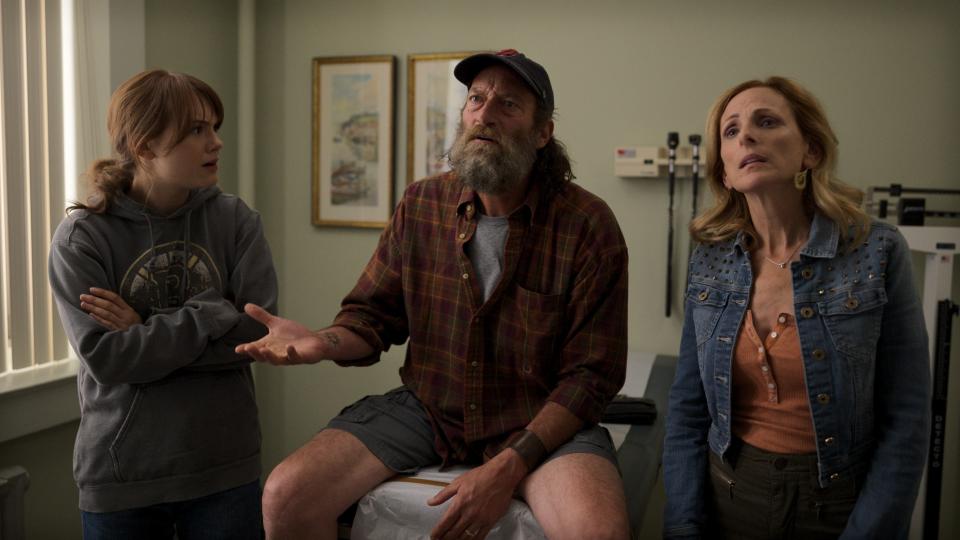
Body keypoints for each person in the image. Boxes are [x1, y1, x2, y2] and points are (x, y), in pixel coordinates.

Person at [237, 49, 630, 540]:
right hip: (431, 408)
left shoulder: (588, 225)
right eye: (476, 99)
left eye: (508, 105)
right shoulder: (423, 203)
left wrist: (511, 465)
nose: (484, 114)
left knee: (599, 533)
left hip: (538, 420)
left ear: (543, 132)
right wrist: (324, 342)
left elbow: (592, 377)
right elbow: (373, 316)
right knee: (284, 495)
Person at [662, 76, 930, 539]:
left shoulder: (876, 251)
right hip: (728, 498)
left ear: (811, 151)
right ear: (724, 171)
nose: (746, 136)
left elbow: (906, 419)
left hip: (841, 509)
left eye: (767, 122)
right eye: (731, 131)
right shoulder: (709, 258)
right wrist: (683, 525)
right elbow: (688, 411)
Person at [48, 69, 278, 539]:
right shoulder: (83, 238)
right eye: (196, 130)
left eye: (215, 127)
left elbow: (256, 335)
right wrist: (213, 313)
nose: (215, 142)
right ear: (144, 146)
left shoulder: (236, 221)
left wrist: (143, 328)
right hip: (122, 476)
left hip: (225, 470)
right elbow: (109, 358)